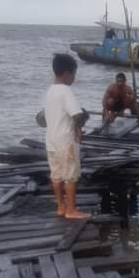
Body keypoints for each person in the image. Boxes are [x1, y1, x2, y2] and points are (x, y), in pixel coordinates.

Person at [42, 53, 89, 219]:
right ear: (67, 73)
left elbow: (41, 119)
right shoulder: (66, 91)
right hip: (66, 140)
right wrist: (79, 129)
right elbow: (77, 115)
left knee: (56, 174)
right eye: (74, 74)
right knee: (70, 176)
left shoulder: (50, 91)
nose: (74, 78)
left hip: (51, 140)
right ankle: (71, 210)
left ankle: (60, 207)